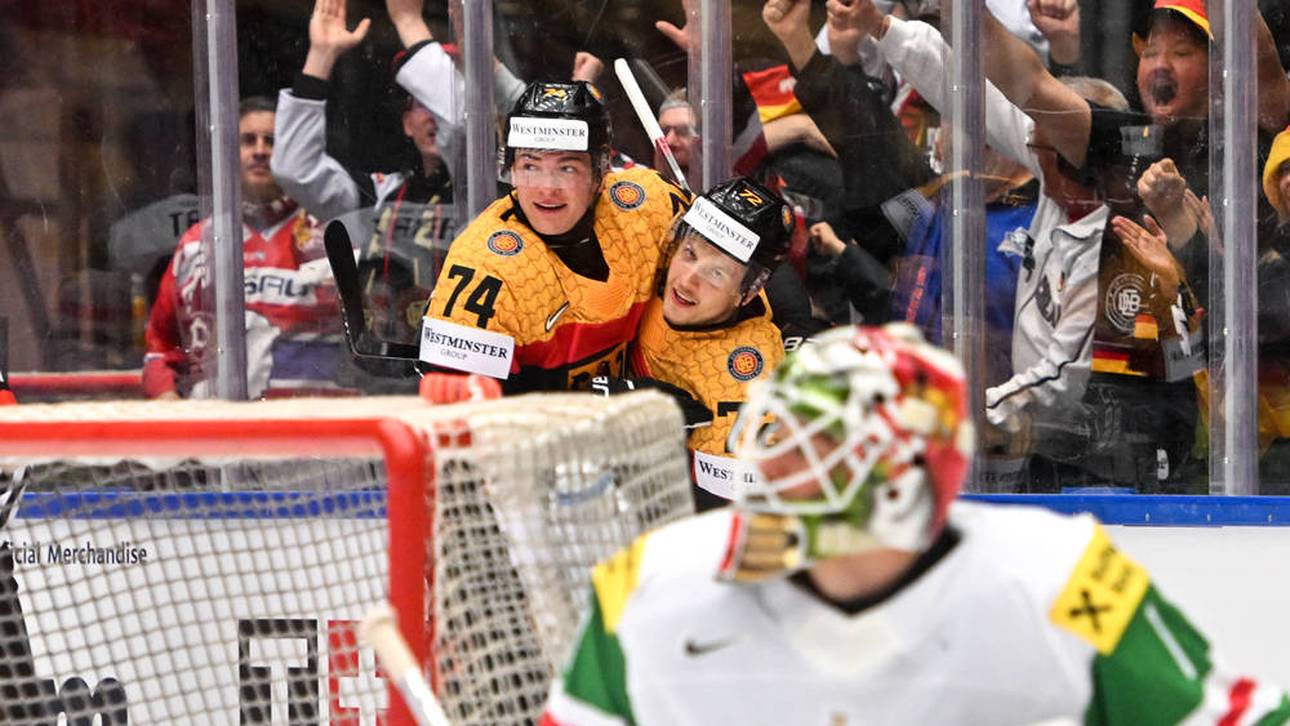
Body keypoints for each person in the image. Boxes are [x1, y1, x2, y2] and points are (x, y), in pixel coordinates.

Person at [543, 323, 1290, 725]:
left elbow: (1222, 715)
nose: (774, 470)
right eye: (779, 436)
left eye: (820, 446)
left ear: (900, 479)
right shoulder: (647, 588)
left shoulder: (1059, 582)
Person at [418, 81, 690, 392]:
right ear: (512, 170)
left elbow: (730, 275)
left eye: (567, 168)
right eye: (531, 166)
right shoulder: (484, 267)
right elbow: (464, 416)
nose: (546, 188)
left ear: (600, 172)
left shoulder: (647, 202)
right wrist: (604, 406)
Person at [143, 97, 346, 400]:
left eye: (272, 142)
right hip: (215, 435)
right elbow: (160, 349)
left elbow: (367, 341)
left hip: (311, 434)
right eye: (248, 140)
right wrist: (167, 401)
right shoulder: (196, 245)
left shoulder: (330, 238)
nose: (261, 151)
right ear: (229, 152)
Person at [620, 177, 792, 508]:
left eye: (716, 274)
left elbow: (733, 520)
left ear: (749, 291)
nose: (686, 281)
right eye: (690, 253)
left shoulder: (746, 380)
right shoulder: (659, 260)